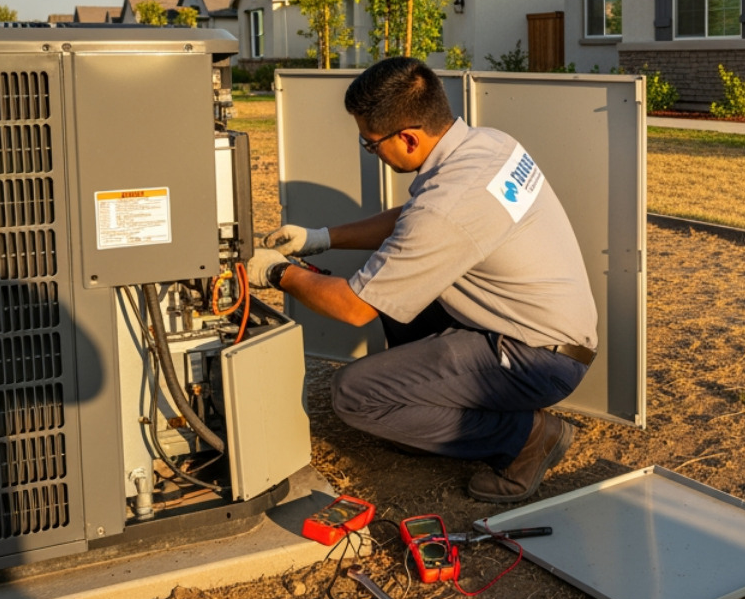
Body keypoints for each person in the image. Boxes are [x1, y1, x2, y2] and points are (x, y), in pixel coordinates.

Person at [245, 57, 598, 503]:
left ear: (408, 138)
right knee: (395, 289)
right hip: (543, 329)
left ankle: (526, 436)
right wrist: (321, 239)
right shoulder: (487, 144)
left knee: (355, 396)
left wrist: (277, 273)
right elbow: (414, 219)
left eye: (370, 145)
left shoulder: (449, 205)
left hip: (535, 359)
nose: (369, 150)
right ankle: (425, 411)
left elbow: (354, 307)